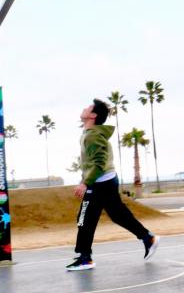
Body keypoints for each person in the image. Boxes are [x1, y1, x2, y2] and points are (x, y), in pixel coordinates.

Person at [67, 99, 159, 271]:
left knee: (85, 218)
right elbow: (91, 162)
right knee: (117, 215)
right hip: (106, 181)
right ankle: (148, 238)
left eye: (88, 107)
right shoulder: (90, 133)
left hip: (100, 183)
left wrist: (85, 183)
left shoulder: (93, 135)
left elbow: (99, 162)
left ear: (93, 115)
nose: (84, 108)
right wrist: (84, 180)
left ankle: (85, 258)